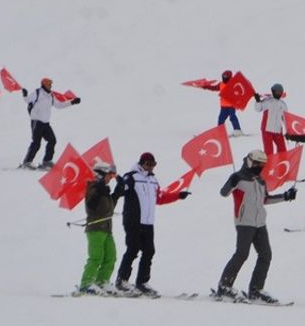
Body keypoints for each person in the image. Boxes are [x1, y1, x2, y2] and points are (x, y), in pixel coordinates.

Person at [216, 150, 298, 302]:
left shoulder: (260, 180)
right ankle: (224, 286)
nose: (259, 168)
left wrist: (285, 196)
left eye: (262, 165)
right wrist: (232, 182)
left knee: (266, 255)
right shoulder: (238, 178)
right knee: (242, 253)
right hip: (244, 222)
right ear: (249, 162)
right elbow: (223, 192)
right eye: (257, 164)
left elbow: (265, 200)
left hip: (260, 223)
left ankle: (256, 289)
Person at [114, 152, 190, 296]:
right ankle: (122, 280)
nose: (150, 167)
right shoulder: (132, 177)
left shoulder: (153, 180)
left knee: (149, 251)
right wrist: (121, 184)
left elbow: (160, 198)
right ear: (141, 163)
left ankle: (142, 282)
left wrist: (178, 196)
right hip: (133, 220)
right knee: (133, 249)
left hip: (148, 222)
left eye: (153, 164)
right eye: (148, 164)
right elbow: (121, 192)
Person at [19, 78, 80, 169]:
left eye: (51, 84)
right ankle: (26, 163)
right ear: (44, 84)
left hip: (46, 123)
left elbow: (59, 105)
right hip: (37, 121)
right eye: (49, 84)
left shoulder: (50, 95)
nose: (50, 86)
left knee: (52, 140)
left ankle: (46, 162)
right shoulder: (37, 92)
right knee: (36, 143)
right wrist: (24, 94)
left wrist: (72, 102)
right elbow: (27, 100)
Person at [78, 162, 120, 295]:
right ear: (100, 175)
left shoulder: (104, 190)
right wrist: (99, 191)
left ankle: (102, 282)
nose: (110, 178)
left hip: (107, 229)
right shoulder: (93, 188)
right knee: (96, 257)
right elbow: (91, 206)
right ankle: (86, 284)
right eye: (109, 175)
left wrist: (117, 194)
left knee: (111, 257)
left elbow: (109, 209)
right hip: (95, 229)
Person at [198, 70, 246, 136]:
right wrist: (205, 87)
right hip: (223, 106)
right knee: (221, 119)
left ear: (229, 77)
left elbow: (239, 92)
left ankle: (237, 131)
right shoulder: (221, 84)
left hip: (231, 105)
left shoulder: (233, 84)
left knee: (232, 117)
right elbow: (214, 88)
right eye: (223, 76)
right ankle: (220, 132)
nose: (224, 78)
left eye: (226, 76)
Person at [253, 83, 289, 156]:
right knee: (269, 151)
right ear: (273, 91)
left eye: (280, 92)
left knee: (282, 150)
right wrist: (258, 101)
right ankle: (269, 165)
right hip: (267, 129)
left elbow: (285, 118)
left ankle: (282, 164)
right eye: (277, 92)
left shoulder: (282, 104)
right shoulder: (268, 101)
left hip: (278, 130)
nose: (278, 93)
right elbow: (258, 108)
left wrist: (289, 130)